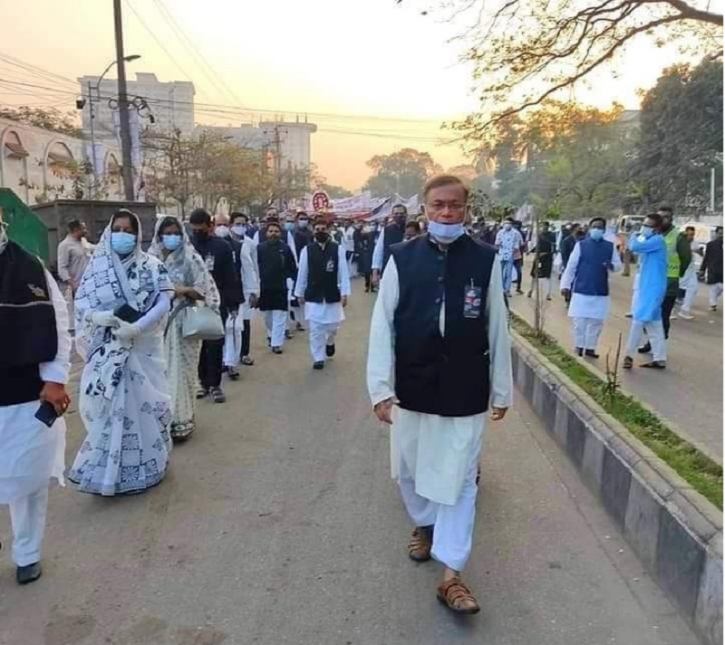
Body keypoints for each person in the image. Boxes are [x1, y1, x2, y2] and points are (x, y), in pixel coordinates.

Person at [367, 175, 512, 615]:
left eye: (454, 206)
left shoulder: (485, 259)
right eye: (438, 206)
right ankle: (424, 525)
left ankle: (451, 574)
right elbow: (382, 325)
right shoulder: (401, 258)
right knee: (410, 472)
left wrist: (501, 389)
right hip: (411, 386)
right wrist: (380, 389)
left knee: (460, 481)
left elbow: (498, 326)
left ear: (467, 209)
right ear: (424, 210)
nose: (446, 213)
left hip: (465, 388)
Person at [70, 209, 175, 495]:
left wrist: (137, 328)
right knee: (110, 411)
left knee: (147, 407)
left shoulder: (152, 265)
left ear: (138, 234)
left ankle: (150, 464)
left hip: (142, 349)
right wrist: (97, 317)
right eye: (118, 228)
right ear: (108, 231)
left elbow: (164, 301)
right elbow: (81, 305)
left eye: (129, 230)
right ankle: (107, 471)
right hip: (108, 351)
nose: (123, 235)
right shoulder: (97, 268)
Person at [0, 215, 71, 584]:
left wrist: (57, 378)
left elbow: (58, 323)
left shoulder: (29, 266)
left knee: (27, 479)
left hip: (25, 394)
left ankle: (27, 553)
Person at [149, 216, 220, 441]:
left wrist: (181, 290)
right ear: (159, 236)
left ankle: (182, 420)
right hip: (155, 325)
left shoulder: (191, 259)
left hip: (184, 324)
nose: (171, 238)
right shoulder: (150, 261)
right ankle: (162, 420)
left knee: (183, 372)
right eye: (166, 233)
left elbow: (207, 291)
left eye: (175, 233)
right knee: (160, 372)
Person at [189, 208, 242, 403]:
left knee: (215, 342)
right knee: (197, 343)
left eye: (200, 229)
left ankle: (215, 384)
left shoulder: (222, 247)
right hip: (192, 303)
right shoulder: (187, 247)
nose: (197, 233)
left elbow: (231, 276)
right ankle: (201, 382)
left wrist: (233, 302)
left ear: (209, 226)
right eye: (193, 230)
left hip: (216, 302)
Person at [560, 218, 622, 358]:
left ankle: (590, 348)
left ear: (604, 230)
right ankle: (579, 345)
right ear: (589, 228)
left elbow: (618, 265)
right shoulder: (581, 245)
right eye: (594, 227)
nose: (597, 230)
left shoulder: (610, 246)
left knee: (596, 322)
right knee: (579, 321)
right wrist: (565, 285)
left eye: (600, 227)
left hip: (600, 290)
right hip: (582, 288)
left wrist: (611, 266)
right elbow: (571, 267)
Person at [295, 218, 351, 369]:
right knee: (316, 329)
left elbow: (344, 272)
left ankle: (330, 341)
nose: (320, 232)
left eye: (323, 229)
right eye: (317, 229)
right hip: (314, 294)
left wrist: (345, 292)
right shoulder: (307, 250)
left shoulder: (337, 248)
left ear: (328, 231)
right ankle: (318, 358)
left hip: (332, 293)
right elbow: (302, 273)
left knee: (333, 327)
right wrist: (299, 292)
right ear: (313, 231)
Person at [638, 206, 690, 352]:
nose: (663, 219)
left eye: (666, 217)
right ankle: (652, 342)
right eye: (660, 217)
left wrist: (678, 273)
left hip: (669, 282)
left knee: (662, 316)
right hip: (651, 281)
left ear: (671, 218)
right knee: (649, 313)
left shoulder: (678, 236)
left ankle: (658, 346)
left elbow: (685, 258)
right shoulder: (652, 234)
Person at [623, 214, 668, 370]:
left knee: (638, 320)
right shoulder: (653, 241)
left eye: (647, 225)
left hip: (653, 288)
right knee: (654, 324)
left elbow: (634, 246)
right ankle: (660, 358)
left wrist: (635, 234)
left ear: (656, 229)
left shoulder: (656, 241)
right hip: (649, 286)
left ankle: (628, 355)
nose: (644, 227)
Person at [257, 221, 298, 354]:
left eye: (276, 231)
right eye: (271, 231)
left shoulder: (285, 248)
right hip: (264, 286)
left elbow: (292, 267)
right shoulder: (259, 248)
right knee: (267, 316)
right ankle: (271, 334)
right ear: (266, 233)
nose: (273, 234)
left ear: (280, 234)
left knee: (280, 315)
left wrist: (292, 281)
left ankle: (277, 343)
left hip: (281, 286)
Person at [230, 212, 260, 366]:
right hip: (229, 289)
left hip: (246, 288)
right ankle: (228, 357)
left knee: (245, 322)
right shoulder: (224, 242)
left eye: (243, 224)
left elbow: (254, 267)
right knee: (230, 325)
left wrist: (255, 290)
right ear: (231, 225)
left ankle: (244, 353)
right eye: (237, 224)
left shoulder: (250, 244)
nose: (240, 227)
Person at [57, 219, 92, 332]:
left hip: (90, 283)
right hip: (78, 285)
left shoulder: (83, 242)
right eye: (83, 228)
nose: (86, 230)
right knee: (79, 312)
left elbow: (92, 248)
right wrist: (73, 283)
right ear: (76, 230)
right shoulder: (65, 245)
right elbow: (62, 267)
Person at [371, 204, 408, 285]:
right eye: (396, 213)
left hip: (407, 269)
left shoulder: (411, 229)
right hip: (389, 268)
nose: (399, 215)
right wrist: (375, 272)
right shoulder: (386, 230)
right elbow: (378, 250)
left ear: (406, 214)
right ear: (392, 215)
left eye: (401, 213)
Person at [495, 217, 524, 297]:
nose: (507, 225)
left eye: (509, 224)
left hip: (511, 255)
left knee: (509, 273)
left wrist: (513, 250)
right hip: (501, 255)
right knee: (500, 273)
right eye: (505, 224)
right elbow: (497, 243)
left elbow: (519, 244)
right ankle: (500, 289)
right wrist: (500, 245)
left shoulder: (516, 233)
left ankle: (507, 289)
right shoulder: (500, 233)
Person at [677, 226, 700, 320]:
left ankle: (684, 310)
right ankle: (667, 310)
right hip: (680, 268)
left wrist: (699, 252)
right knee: (673, 288)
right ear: (685, 233)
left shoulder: (695, 243)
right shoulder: (681, 242)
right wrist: (691, 251)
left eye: (693, 235)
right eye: (690, 234)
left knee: (693, 288)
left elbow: (697, 254)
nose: (691, 237)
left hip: (691, 269)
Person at [527, 221, 554, 300]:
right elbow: (536, 245)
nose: (543, 228)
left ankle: (548, 294)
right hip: (538, 258)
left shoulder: (552, 236)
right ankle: (531, 290)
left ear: (548, 227)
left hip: (547, 258)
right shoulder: (539, 235)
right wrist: (530, 251)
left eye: (545, 226)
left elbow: (553, 248)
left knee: (547, 276)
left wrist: (545, 253)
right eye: (542, 226)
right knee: (534, 275)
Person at [700, 226, 723, 312]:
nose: (722, 235)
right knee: (713, 288)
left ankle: (713, 299)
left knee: (720, 288)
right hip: (713, 270)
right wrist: (702, 269)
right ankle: (713, 304)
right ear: (716, 234)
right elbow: (706, 258)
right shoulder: (711, 245)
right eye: (720, 233)